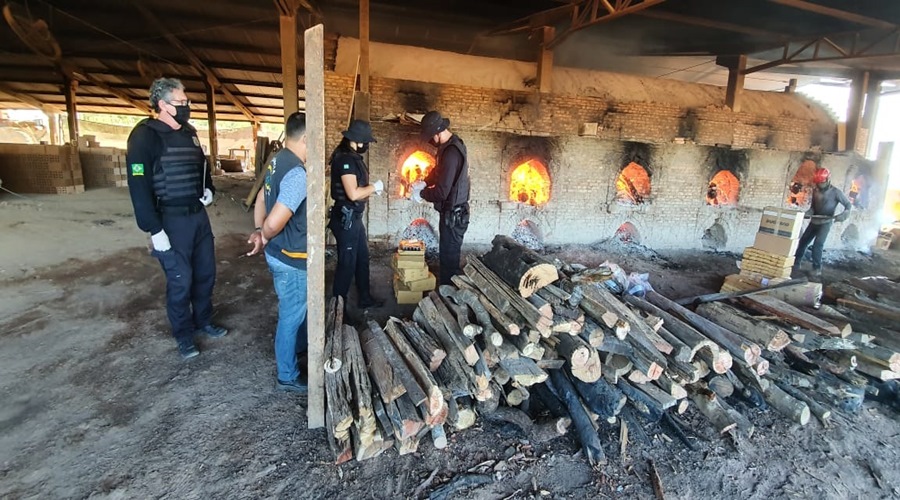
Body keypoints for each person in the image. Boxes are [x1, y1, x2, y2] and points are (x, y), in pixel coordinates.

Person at [126, 77, 227, 360]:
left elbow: (202, 167)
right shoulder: (145, 136)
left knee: (206, 272)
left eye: (186, 102)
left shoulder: (189, 132)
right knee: (181, 278)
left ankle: (204, 320)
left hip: (197, 215)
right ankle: (184, 334)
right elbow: (139, 186)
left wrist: (209, 190)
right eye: (181, 103)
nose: (186, 107)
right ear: (162, 104)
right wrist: (154, 229)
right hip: (170, 220)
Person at [246, 112, 310, 393]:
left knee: (295, 311)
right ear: (307, 138)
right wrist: (264, 231)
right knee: (291, 315)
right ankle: (287, 375)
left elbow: (261, 197)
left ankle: (299, 350)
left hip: (276, 253)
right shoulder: (297, 173)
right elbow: (275, 221)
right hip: (291, 260)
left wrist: (260, 231)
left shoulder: (277, 160)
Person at [328, 119, 384, 309]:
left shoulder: (351, 157)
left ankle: (365, 298)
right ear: (357, 141)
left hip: (354, 219)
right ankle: (338, 310)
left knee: (362, 259)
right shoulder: (345, 160)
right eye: (366, 142)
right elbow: (352, 193)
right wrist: (373, 187)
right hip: (346, 219)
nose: (366, 145)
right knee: (347, 265)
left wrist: (371, 190)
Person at [413, 110, 471, 285]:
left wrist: (421, 194)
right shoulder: (449, 146)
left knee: (449, 260)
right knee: (447, 254)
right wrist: (424, 182)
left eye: (431, 137)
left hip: (454, 216)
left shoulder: (451, 154)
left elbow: (441, 192)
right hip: (451, 213)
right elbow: (439, 171)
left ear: (438, 133)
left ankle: (449, 299)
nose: (431, 141)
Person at [792, 167, 851, 278]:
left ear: (827, 180)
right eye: (818, 183)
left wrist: (844, 214)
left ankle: (817, 268)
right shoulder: (816, 190)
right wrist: (808, 213)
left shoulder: (836, 192)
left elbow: (848, 205)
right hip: (815, 221)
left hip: (825, 222)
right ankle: (796, 263)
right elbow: (813, 207)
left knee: (817, 245)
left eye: (822, 182)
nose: (820, 185)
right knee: (803, 241)